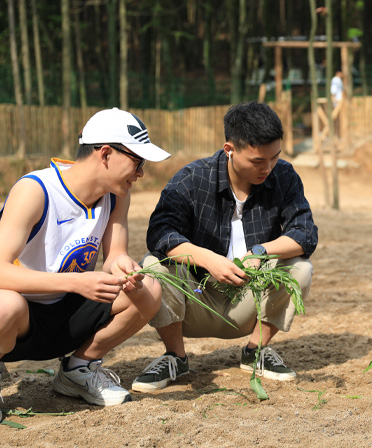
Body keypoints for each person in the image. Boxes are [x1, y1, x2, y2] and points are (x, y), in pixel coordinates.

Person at [0, 108, 168, 428]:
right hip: (21, 318)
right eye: (138, 161)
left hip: (70, 315)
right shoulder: (35, 190)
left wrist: (122, 265)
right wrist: (76, 283)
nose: (141, 173)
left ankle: (79, 368)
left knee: (150, 287)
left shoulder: (116, 195)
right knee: (0, 305)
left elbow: (114, 256)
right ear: (106, 153)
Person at [132, 101, 317, 392]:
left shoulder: (284, 176)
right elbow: (160, 233)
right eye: (257, 161)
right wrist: (208, 260)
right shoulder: (192, 178)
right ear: (229, 149)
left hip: (251, 298)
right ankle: (176, 357)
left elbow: (305, 233)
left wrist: (261, 252)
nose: (267, 168)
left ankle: (256, 351)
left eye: (274, 157)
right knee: (153, 265)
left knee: (300, 268)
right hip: (195, 297)